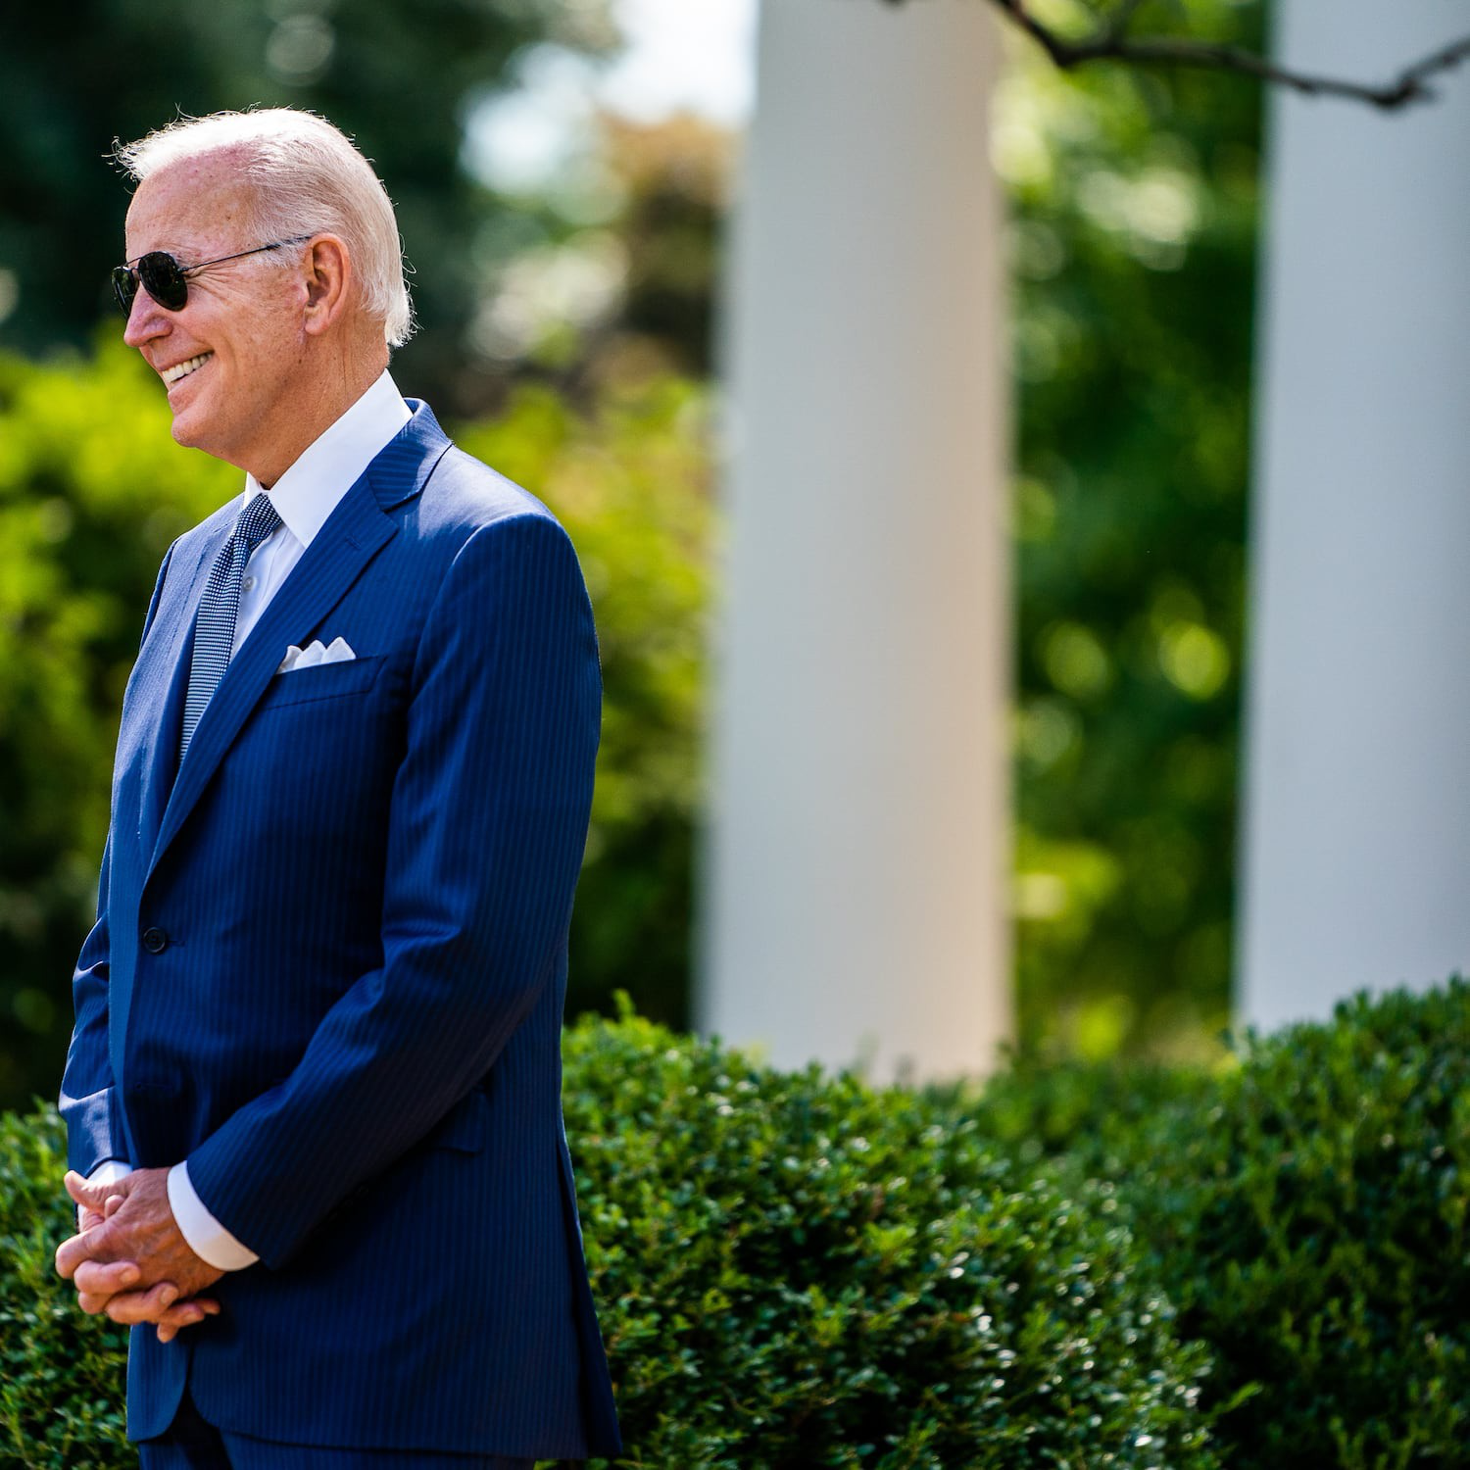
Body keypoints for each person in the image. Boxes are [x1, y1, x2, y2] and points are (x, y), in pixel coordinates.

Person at [53, 108, 623, 1470]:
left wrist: (210, 1208)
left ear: (317, 281)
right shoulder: (191, 570)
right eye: (128, 283)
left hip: (391, 1384)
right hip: (182, 1359)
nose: (139, 324)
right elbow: (124, 939)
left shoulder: (492, 555)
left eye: (169, 279)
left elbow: (460, 963)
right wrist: (118, 1201)